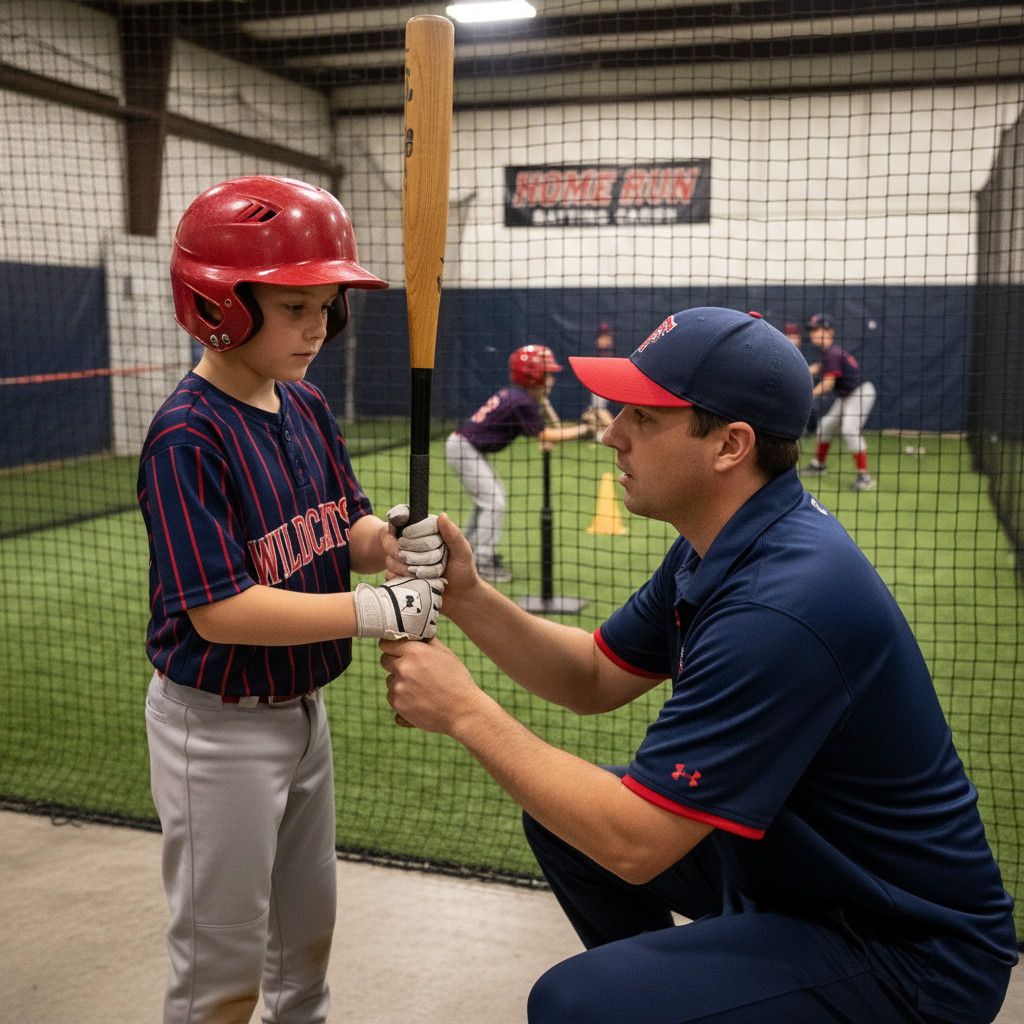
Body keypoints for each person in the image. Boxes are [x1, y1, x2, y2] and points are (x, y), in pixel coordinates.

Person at [381, 307, 1018, 1024]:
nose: (614, 433)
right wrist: (467, 594)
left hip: (905, 948)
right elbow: (593, 676)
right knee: (560, 822)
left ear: (730, 445)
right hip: (795, 876)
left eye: (645, 418)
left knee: (573, 1002)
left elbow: (635, 842)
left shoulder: (782, 605)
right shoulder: (719, 541)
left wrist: (466, 711)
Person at [139, 176, 447, 1024]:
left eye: (328, 306)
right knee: (221, 970)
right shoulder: (186, 434)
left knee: (306, 945)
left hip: (304, 714)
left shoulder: (306, 405)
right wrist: (374, 610)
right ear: (219, 307)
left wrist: (388, 543)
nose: (319, 327)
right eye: (296, 306)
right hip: (217, 726)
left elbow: (340, 526)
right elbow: (221, 609)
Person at [445, 344, 596, 583]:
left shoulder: (519, 397)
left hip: (464, 447)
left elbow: (543, 432)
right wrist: (585, 430)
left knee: (488, 500)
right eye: (548, 375)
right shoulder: (522, 402)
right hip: (464, 449)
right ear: (533, 376)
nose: (552, 381)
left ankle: (468, 553)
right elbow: (545, 435)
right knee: (493, 501)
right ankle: (481, 561)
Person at [799, 313, 877, 490]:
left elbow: (827, 385)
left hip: (860, 393)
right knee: (825, 427)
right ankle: (818, 465)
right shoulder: (827, 353)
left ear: (830, 331)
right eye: (812, 330)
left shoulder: (833, 353)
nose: (814, 333)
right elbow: (818, 368)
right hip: (846, 395)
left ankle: (865, 477)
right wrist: (798, 370)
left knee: (849, 430)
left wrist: (807, 395)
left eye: (819, 329)